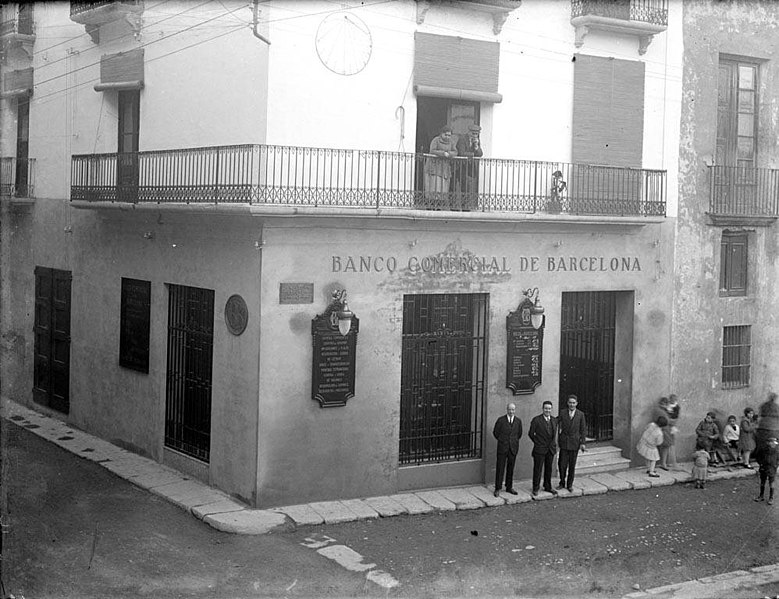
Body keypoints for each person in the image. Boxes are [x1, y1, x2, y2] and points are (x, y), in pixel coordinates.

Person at [528, 400, 558, 496]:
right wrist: (538, 442)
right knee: (538, 469)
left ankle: (547, 486)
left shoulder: (554, 420)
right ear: (542, 409)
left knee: (548, 469)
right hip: (540, 449)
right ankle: (535, 488)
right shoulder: (536, 420)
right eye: (546, 408)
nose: (547, 410)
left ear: (551, 409)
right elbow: (531, 434)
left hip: (550, 449)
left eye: (549, 408)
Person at [557, 395, 587, 492]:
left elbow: (583, 429)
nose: (572, 405)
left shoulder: (580, 414)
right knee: (562, 464)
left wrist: (582, 443)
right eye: (570, 402)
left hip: (574, 443)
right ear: (567, 403)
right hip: (564, 442)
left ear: (576, 404)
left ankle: (569, 485)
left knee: (572, 465)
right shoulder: (563, 412)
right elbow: (555, 422)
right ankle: (562, 482)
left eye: (573, 403)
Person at [424, 126, 457, 208]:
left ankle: (439, 205)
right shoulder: (436, 140)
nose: (447, 137)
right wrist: (443, 153)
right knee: (434, 186)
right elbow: (432, 150)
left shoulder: (451, 142)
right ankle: (431, 205)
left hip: (445, 168)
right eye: (446, 135)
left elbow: (455, 151)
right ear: (441, 134)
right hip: (434, 167)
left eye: (449, 135)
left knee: (443, 188)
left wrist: (449, 154)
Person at [493, 402, 522, 497]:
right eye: (509, 409)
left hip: (513, 448)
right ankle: (498, 488)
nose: (511, 411)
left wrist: (513, 442)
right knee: (500, 468)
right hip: (502, 448)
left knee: (511, 468)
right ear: (507, 410)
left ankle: (509, 487)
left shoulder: (518, 421)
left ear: (515, 410)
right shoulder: (501, 420)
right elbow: (496, 433)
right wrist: (503, 441)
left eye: (513, 409)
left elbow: (519, 434)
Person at [454, 124, 483, 211]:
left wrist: (476, 146)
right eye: (473, 133)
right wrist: (473, 154)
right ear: (469, 132)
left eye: (476, 134)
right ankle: (457, 206)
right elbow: (461, 152)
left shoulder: (476, 141)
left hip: (470, 167)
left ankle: (465, 206)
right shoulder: (463, 139)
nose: (475, 136)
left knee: (467, 188)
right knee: (460, 187)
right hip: (461, 166)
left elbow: (480, 154)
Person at [655, 394, 680, 470]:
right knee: (667, 447)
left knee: (666, 447)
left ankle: (665, 463)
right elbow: (668, 421)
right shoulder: (662, 411)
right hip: (666, 430)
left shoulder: (669, 409)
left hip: (668, 430)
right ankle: (665, 463)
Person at [755, 392, 779, 462]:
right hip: (773, 429)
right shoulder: (776, 407)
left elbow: (760, 413)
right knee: (774, 447)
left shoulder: (763, 405)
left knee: (762, 446)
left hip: (762, 427)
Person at [755, 437, 779, 505]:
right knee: (762, 482)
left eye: (775, 443)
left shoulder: (777, 450)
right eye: (772, 443)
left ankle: (771, 498)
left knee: (772, 483)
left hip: (772, 468)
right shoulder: (762, 450)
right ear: (768, 443)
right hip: (763, 467)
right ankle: (761, 496)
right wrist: (761, 463)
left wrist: (775, 465)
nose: (774, 444)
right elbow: (757, 457)